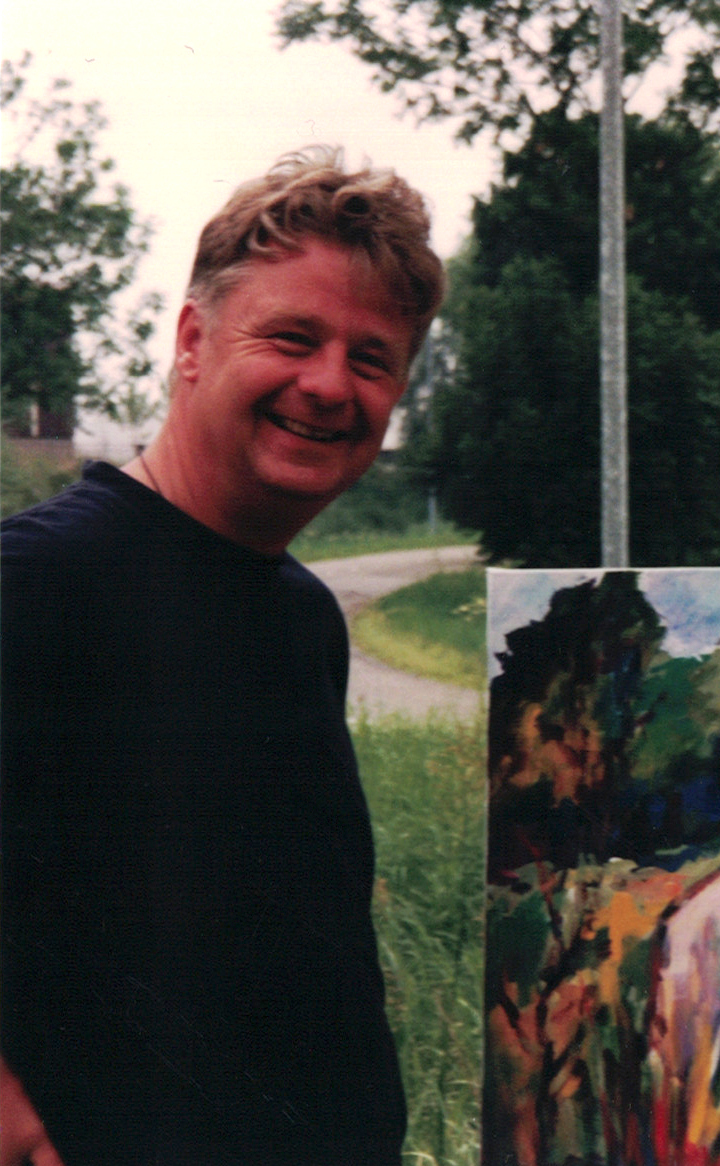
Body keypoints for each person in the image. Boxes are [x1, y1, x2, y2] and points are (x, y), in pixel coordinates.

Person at [1, 146, 446, 1165]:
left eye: (371, 358)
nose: (329, 384)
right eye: (292, 336)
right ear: (194, 340)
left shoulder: (302, 615)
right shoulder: (40, 580)